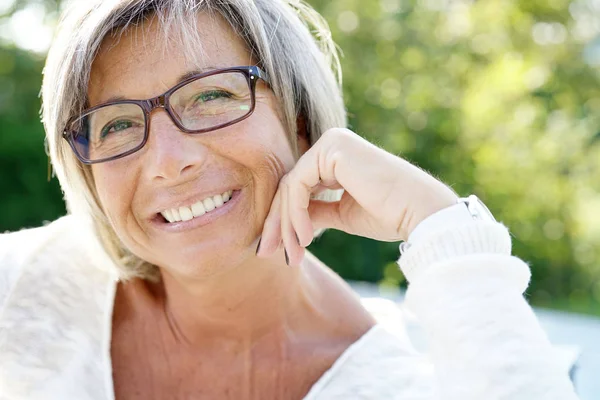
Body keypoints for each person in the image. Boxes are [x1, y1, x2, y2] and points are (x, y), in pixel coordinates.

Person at [0, 0, 579, 399]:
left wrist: (441, 229)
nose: (169, 159)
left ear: (299, 120)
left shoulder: (396, 384)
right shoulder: (22, 289)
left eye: (211, 96)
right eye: (117, 125)